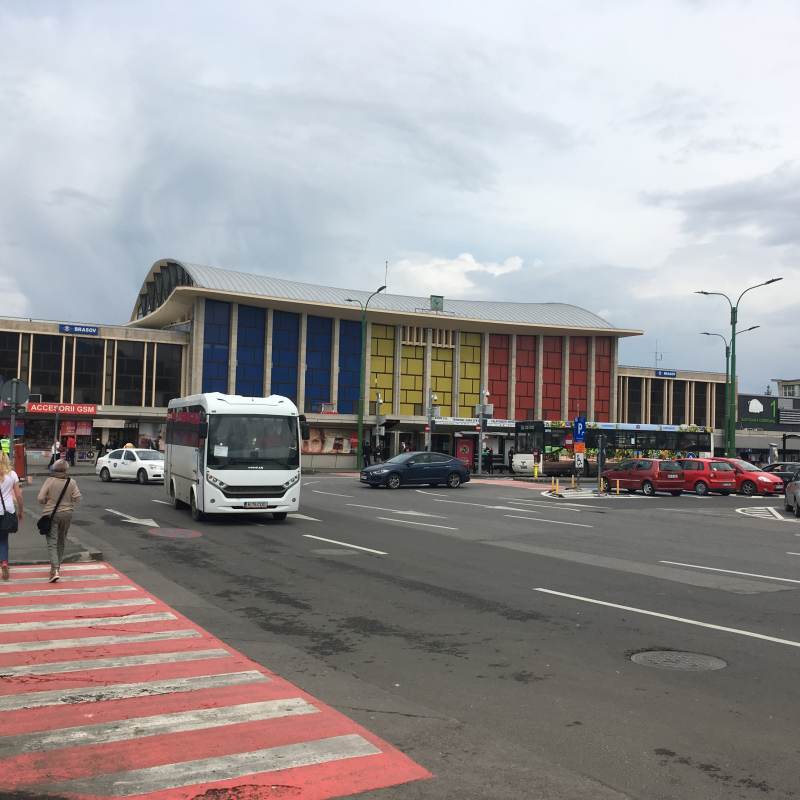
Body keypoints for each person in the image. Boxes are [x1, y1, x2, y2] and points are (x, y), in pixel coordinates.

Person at [37, 459, 82, 582]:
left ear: (54, 469)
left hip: (52, 514)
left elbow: (40, 498)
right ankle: (57, 567)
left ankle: (55, 569)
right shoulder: (71, 482)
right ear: (66, 469)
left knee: (52, 541)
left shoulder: (50, 481)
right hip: (67, 514)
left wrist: (48, 501)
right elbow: (78, 498)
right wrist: (68, 501)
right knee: (61, 540)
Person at [0, 451, 24, 581]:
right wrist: (21, 511)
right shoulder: (12, 474)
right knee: (3, 540)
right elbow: (19, 496)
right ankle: (4, 562)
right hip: (7, 510)